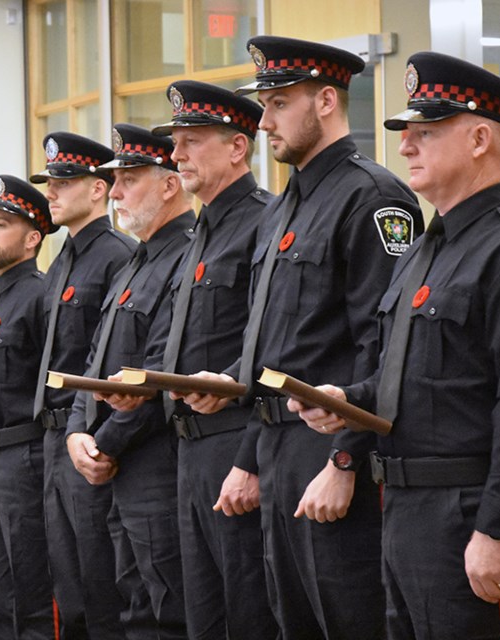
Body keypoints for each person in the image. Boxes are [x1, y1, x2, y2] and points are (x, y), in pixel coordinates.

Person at [295, 52, 500, 639]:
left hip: (470, 514)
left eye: (426, 133)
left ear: (478, 138)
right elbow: (405, 382)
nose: (405, 147)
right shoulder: (427, 250)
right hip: (405, 513)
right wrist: (344, 397)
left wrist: (497, 530)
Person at [176, 37, 424, 639]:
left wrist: (346, 458)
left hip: (329, 451)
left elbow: (385, 349)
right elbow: (279, 344)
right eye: (264, 104)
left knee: (348, 618)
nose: (264, 122)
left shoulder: (372, 196)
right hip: (276, 447)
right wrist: (233, 385)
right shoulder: (286, 205)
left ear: (326, 101)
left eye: (279, 103)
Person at [108, 80, 276, 639]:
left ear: (237, 148)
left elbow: (275, 345)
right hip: (188, 448)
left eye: (191, 140)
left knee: (247, 612)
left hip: (235, 441)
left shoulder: (263, 221)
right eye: (175, 142)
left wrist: (250, 457)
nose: (177, 154)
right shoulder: (202, 230)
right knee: (202, 617)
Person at [65, 123, 195, 638]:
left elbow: (160, 365)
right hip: (118, 468)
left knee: (166, 614)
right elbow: (96, 359)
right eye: (114, 180)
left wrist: (103, 443)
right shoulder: (136, 259)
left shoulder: (184, 253)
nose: (115, 192)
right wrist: (79, 429)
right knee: (133, 610)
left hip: (155, 465)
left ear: (169, 185)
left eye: (129, 179)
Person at [30, 131, 137, 637]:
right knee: (67, 587)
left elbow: (118, 356)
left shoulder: (118, 254)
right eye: (50, 181)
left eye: (64, 181)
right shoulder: (61, 261)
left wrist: (103, 436)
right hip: (55, 438)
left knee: (101, 585)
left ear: (99, 188)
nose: (51, 191)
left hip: (91, 437)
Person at [0, 174, 57, 638]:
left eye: (1, 224)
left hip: (27, 453)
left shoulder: (40, 294)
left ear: (32, 237)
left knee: (32, 581)